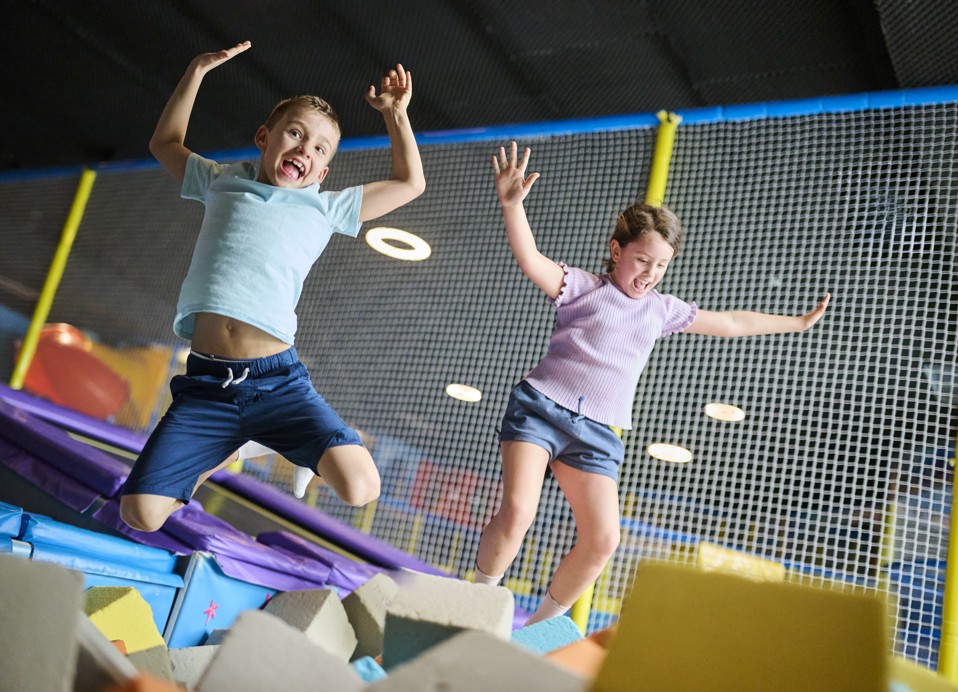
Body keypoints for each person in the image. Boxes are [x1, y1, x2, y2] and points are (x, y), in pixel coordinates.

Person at [474, 142, 830, 625]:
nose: (650, 274)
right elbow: (530, 258)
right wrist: (512, 205)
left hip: (598, 434)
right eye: (642, 260)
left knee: (604, 540)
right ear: (617, 251)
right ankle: (477, 600)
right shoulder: (582, 287)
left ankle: (538, 630)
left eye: (661, 266)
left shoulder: (663, 310)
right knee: (518, 512)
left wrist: (793, 324)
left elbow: (729, 323)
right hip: (541, 409)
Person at [119, 41, 425, 532]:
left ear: (322, 173)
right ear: (265, 137)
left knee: (361, 487)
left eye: (318, 148)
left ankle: (278, 442)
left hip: (276, 382)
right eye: (295, 134)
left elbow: (410, 183)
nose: (304, 148)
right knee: (141, 515)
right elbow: (165, 143)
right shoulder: (220, 181)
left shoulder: (327, 207)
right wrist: (196, 70)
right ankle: (232, 445)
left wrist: (396, 115)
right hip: (205, 386)